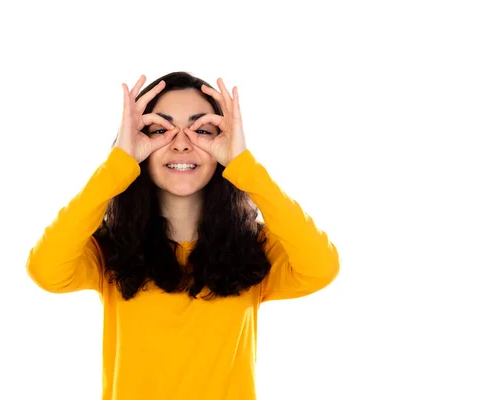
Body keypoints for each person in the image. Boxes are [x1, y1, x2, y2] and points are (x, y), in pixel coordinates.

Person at [26, 71, 340, 400]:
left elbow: (321, 267)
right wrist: (118, 165)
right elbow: (46, 271)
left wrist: (244, 165)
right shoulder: (110, 246)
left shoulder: (254, 247)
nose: (180, 143)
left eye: (201, 130)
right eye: (159, 130)